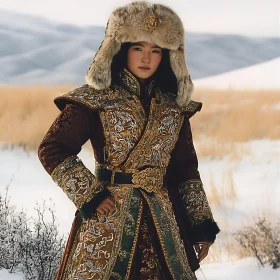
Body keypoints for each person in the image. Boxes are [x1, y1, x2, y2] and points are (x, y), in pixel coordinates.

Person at [38, 1, 220, 279]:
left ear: (167, 56)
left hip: (163, 222)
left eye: (155, 50)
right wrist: (90, 195)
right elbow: (53, 148)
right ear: (122, 50)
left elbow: (185, 170)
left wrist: (200, 226)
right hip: (108, 219)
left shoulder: (174, 107)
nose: (146, 57)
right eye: (138, 48)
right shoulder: (95, 98)